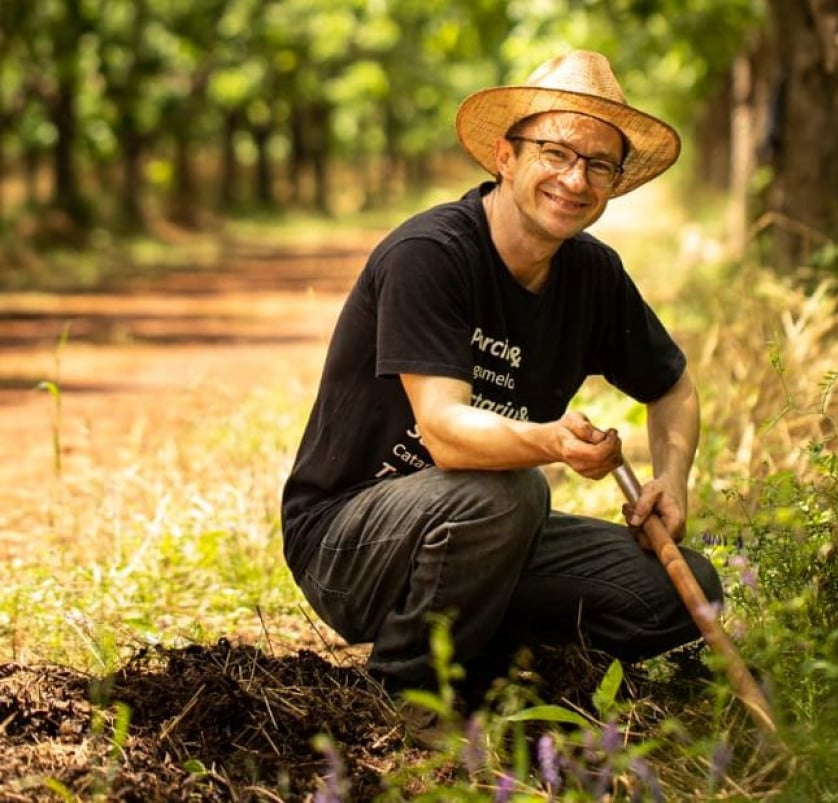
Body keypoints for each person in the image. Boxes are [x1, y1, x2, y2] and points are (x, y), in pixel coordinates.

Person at [280, 50, 723, 746]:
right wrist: (552, 440)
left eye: (598, 164)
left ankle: (486, 655)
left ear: (613, 183)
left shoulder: (592, 277)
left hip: (481, 537)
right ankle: (401, 700)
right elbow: (446, 435)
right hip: (347, 538)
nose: (575, 179)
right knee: (509, 494)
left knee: (683, 588)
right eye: (555, 152)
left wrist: (673, 477)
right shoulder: (430, 254)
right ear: (505, 157)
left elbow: (673, 386)